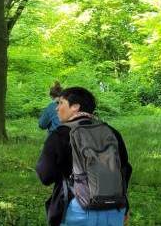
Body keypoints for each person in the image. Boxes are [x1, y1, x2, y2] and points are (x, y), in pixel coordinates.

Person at [36, 86, 131, 226]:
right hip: (115, 207)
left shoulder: (60, 134)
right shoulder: (111, 132)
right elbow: (125, 169)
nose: (57, 108)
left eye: (61, 103)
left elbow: (45, 176)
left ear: (75, 106)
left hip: (77, 208)